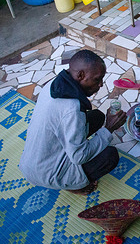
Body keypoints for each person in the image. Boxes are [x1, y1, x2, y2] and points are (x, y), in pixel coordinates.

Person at [19, 50, 127, 195]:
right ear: (80, 75)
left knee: (97, 117)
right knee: (110, 156)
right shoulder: (71, 110)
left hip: (33, 162)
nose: (101, 84)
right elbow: (79, 156)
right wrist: (108, 129)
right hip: (48, 174)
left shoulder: (53, 84)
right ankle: (74, 185)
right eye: (97, 79)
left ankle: (72, 175)